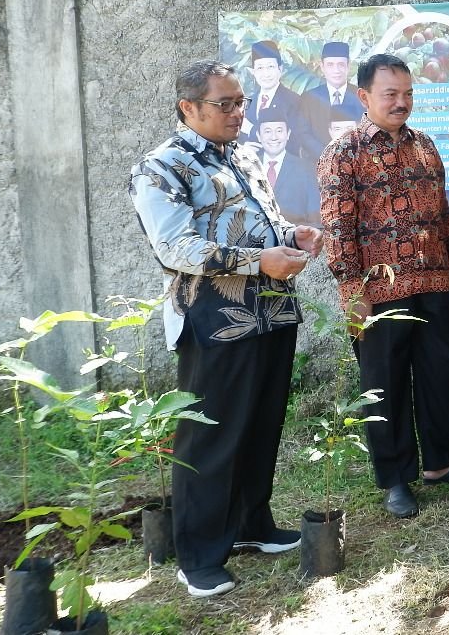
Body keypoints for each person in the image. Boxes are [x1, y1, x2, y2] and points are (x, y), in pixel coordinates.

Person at [129, 60, 321, 598]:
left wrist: (293, 233)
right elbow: (175, 248)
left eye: (241, 102)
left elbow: (264, 219)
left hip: (272, 307)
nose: (240, 112)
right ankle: (199, 556)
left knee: (262, 425)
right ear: (188, 108)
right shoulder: (160, 168)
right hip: (213, 316)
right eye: (226, 104)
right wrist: (259, 261)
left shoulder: (245, 153)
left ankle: (251, 526)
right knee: (210, 436)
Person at [317, 52, 449, 519]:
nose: (402, 103)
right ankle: (396, 478)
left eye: (408, 94)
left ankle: (439, 463)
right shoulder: (343, 153)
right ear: (364, 96)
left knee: (442, 375)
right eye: (390, 94)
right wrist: (352, 294)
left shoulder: (425, 145)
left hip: (436, 281)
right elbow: (339, 230)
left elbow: (441, 215)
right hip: (379, 293)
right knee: (385, 385)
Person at [243, 39, 315, 157]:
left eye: (270, 66)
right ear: (253, 72)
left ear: (280, 69)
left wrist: (251, 129)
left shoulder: (295, 101)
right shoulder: (247, 103)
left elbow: (296, 140)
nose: (266, 74)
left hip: (285, 170)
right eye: (260, 68)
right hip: (251, 169)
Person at [253, 106, 320, 227]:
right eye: (267, 131)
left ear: (288, 134)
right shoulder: (248, 166)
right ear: (258, 135)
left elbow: (316, 220)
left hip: (295, 243)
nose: (274, 137)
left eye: (279, 131)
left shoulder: (307, 170)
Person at [307, 40, 362, 136]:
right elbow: (304, 134)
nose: (336, 70)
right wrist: (327, 151)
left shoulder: (363, 97)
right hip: (318, 151)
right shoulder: (309, 98)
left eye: (341, 64)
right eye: (330, 65)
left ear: (348, 66)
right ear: (322, 67)